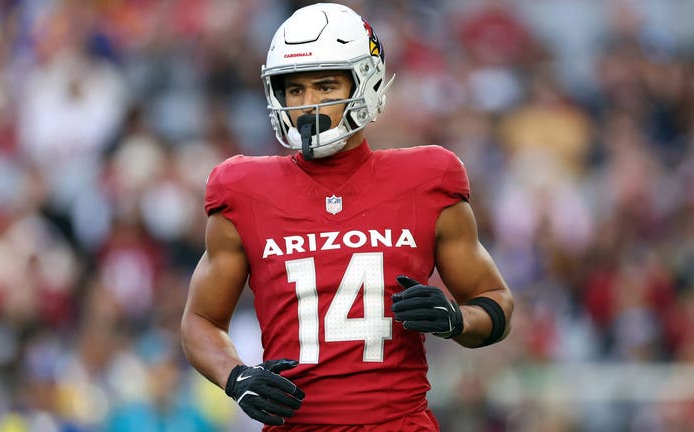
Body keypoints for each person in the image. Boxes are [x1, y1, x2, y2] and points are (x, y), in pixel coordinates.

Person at [181, 3, 514, 431]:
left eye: (324, 86)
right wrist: (235, 375)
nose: (308, 104)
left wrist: (456, 319)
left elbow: (495, 302)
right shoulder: (243, 189)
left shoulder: (427, 178)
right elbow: (201, 320)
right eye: (294, 90)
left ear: (366, 82)